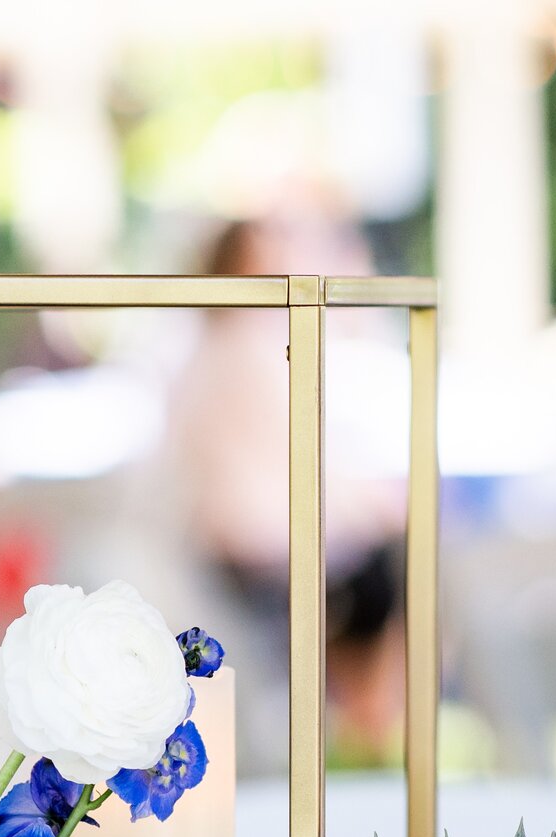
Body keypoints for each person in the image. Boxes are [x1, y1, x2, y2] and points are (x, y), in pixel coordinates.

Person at [166, 213, 411, 763]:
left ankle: (359, 730)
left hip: (229, 556)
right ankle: (369, 730)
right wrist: (385, 511)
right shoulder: (255, 353)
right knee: (404, 576)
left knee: (387, 572)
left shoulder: (201, 353)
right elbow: (311, 468)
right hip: (269, 560)